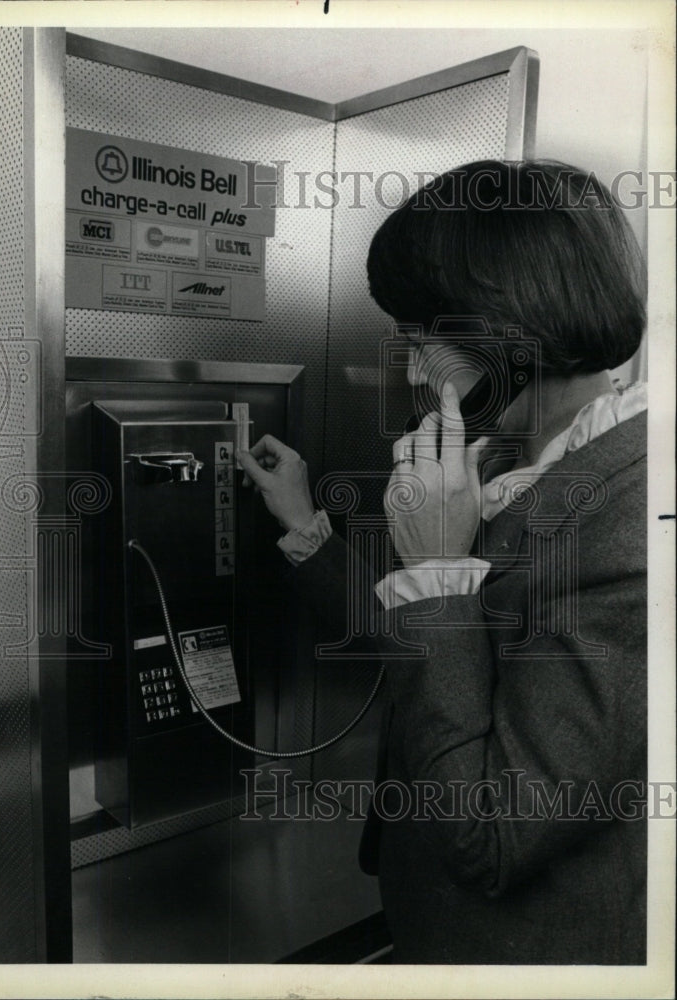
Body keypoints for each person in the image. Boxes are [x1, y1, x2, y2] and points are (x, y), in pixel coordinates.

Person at [238, 160, 647, 964]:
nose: (413, 368)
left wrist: (437, 568)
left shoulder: (629, 528)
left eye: (427, 337)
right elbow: (421, 658)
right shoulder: (505, 464)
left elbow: (492, 830)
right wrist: (303, 522)